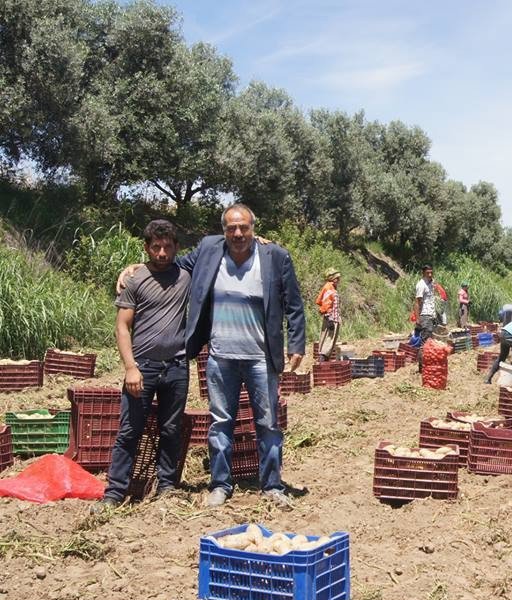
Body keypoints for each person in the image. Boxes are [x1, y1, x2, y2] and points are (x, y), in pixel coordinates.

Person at [181, 204, 306, 508]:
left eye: (244, 228)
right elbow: (178, 267)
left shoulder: (274, 256)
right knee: (221, 422)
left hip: (260, 359)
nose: (237, 233)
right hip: (221, 357)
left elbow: (294, 305)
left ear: (253, 229)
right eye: (231, 228)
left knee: (268, 424)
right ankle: (220, 485)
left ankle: (272, 485)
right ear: (223, 230)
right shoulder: (210, 249)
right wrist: (135, 269)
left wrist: (297, 345)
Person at [94, 220, 191, 512]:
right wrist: (130, 367)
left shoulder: (186, 276)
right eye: (156, 247)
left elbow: (221, 251)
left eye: (167, 246)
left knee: (171, 429)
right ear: (147, 248)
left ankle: (166, 487)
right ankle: (114, 493)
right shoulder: (136, 280)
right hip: (143, 367)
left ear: (176, 247)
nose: (162, 253)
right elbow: (123, 328)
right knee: (129, 430)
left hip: (176, 366)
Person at [414, 265, 439, 372]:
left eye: (431, 272)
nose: (430, 274)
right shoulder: (421, 285)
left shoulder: (431, 284)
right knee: (425, 343)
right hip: (425, 316)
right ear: (423, 273)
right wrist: (418, 319)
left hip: (431, 315)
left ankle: (426, 364)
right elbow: (417, 303)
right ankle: (421, 367)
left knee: (429, 341)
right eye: (427, 273)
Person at [315, 268, 341, 361]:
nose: (338, 280)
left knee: (329, 340)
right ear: (331, 277)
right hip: (331, 318)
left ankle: (324, 358)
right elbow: (326, 303)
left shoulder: (332, 287)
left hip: (333, 318)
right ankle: (323, 359)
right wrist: (329, 318)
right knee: (328, 340)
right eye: (336, 278)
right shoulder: (329, 287)